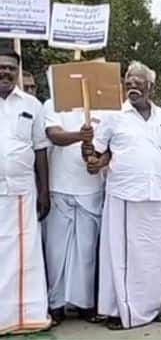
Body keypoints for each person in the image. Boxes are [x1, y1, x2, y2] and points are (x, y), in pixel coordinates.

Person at [90, 61, 161, 330]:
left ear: (150, 86)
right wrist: (94, 159)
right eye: (128, 82)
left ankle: (149, 308)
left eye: (138, 82)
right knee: (121, 257)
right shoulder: (113, 115)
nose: (132, 86)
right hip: (124, 196)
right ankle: (119, 310)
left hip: (155, 198)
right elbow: (98, 152)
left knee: (153, 257)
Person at [42, 95, 110, 325]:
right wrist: (79, 136)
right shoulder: (53, 103)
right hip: (60, 186)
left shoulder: (104, 108)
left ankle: (84, 304)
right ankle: (56, 304)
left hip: (90, 189)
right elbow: (54, 135)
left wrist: (98, 160)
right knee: (56, 251)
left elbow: (109, 145)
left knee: (86, 251)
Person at [0, 49, 51, 335]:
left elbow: (40, 149)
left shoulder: (31, 104)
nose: (5, 72)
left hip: (23, 191)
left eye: (10, 68)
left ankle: (27, 316)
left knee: (25, 255)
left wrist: (45, 191)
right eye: (1, 67)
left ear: (18, 72)